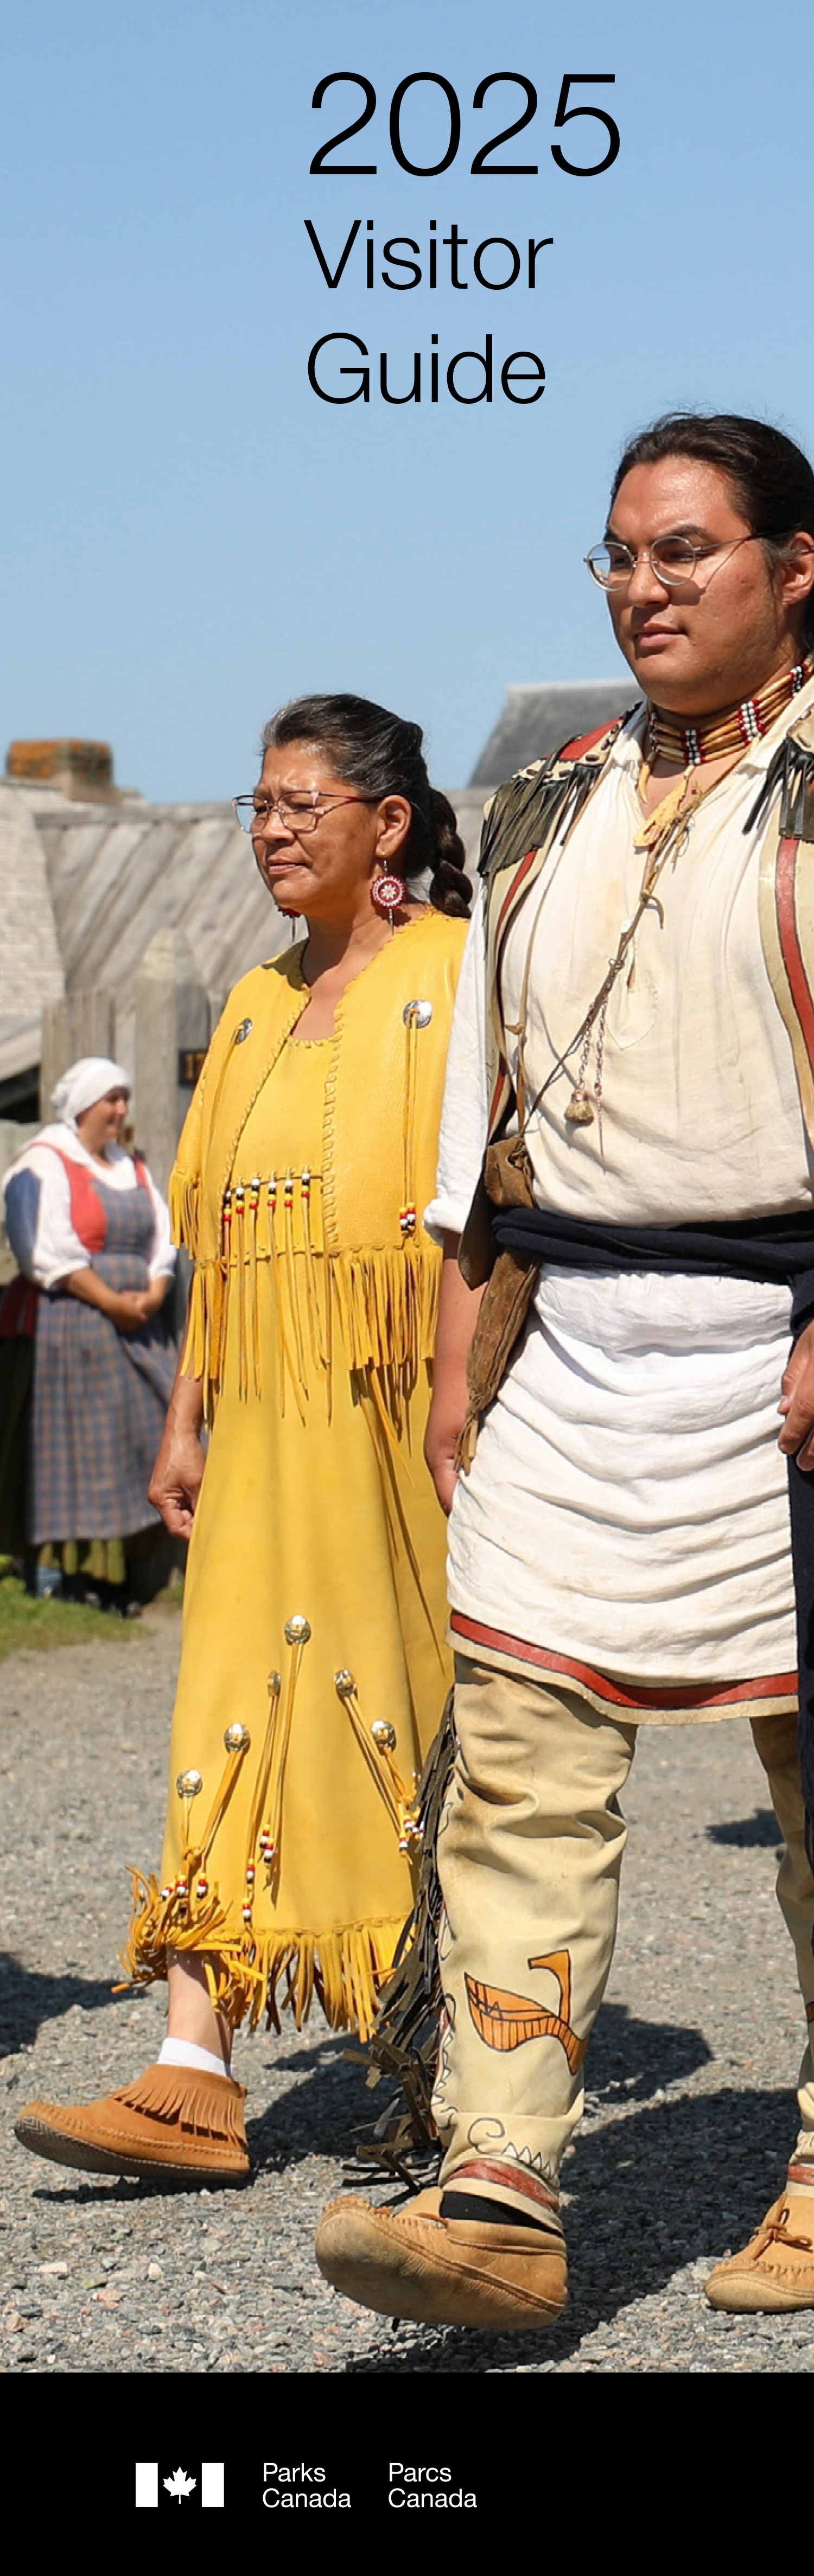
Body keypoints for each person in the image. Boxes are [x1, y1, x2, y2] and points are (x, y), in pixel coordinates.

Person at [314, 411, 814, 2334]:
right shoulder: (547, 803)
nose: (644, 589)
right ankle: (496, 2179)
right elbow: (489, 1111)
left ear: (793, 565)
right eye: (620, 559)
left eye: (686, 554)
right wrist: (464, 1339)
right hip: (579, 1345)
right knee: (518, 1767)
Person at [13, 698, 469, 2190]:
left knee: (391, 1709)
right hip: (265, 1412)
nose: (269, 827)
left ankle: (441, 2046)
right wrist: (191, 1409)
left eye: (300, 801)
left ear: (386, 823)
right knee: (225, 1703)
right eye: (256, 803)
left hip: (400, 1415)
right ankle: (194, 2069)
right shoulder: (260, 999)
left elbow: (488, 1221)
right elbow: (217, 1225)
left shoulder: (461, 981)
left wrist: (463, 1397)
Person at [1, 1059, 177, 1610]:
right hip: (71, 1323)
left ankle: (129, 1572)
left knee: (150, 1435)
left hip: (141, 1324)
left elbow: (163, 1237)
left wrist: (153, 1290)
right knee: (74, 1451)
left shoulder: (132, 1167)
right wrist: (109, 1301)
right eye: (112, 1099)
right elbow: (41, 1249)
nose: (121, 1110)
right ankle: (59, 1578)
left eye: (124, 1098)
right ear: (83, 1105)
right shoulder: (44, 1163)